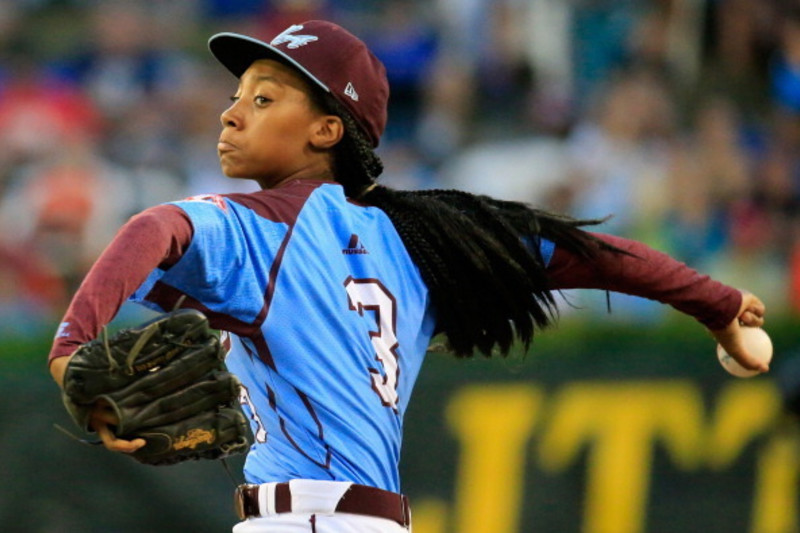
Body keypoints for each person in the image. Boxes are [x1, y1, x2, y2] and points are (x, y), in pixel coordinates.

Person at [47, 20, 768, 533]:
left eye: (264, 99)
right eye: (237, 94)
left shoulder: (255, 228)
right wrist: (720, 305)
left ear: (328, 130)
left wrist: (69, 346)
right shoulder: (421, 234)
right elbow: (593, 255)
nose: (232, 114)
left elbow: (154, 229)